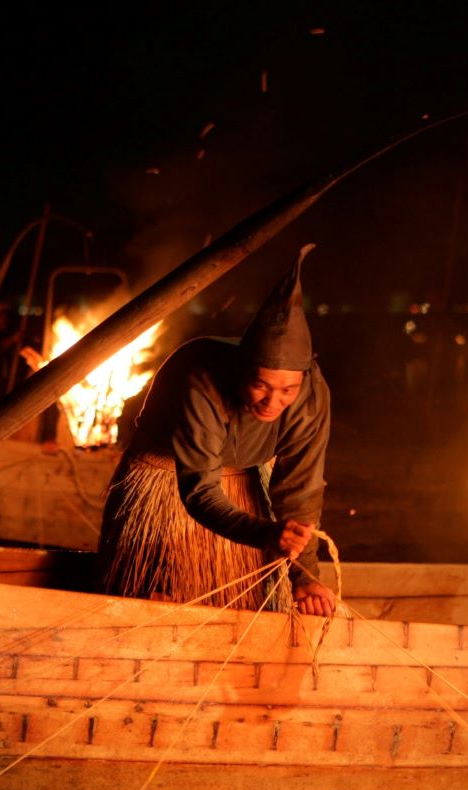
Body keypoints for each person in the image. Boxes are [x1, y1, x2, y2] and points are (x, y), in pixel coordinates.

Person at [95, 244, 335, 616]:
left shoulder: (312, 394)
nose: (272, 402)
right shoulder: (200, 379)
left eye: (287, 390)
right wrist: (265, 534)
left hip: (244, 488)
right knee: (153, 606)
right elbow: (201, 493)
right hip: (168, 489)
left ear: (303, 378)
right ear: (241, 370)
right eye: (260, 385)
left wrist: (304, 575)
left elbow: (300, 492)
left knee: (246, 612)